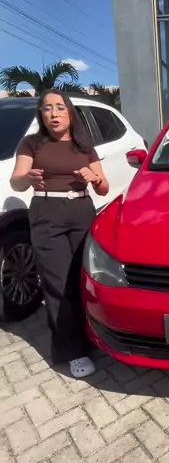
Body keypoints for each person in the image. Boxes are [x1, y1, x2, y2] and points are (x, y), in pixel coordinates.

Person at [10, 89, 109, 379]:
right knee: (57, 284)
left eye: (60, 107)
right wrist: (27, 178)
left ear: (70, 112)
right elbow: (16, 182)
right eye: (47, 108)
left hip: (81, 214)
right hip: (47, 215)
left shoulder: (83, 145)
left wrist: (95, 178)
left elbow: (104, 188)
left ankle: (88, 336)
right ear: (41, 115)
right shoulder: (31, 143)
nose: (54, 113)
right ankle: (71, 351)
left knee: (79, 280)